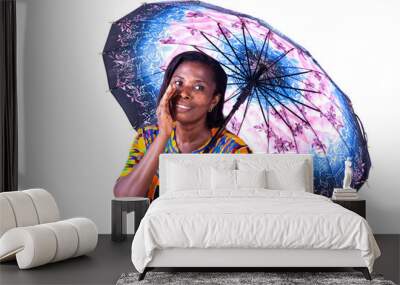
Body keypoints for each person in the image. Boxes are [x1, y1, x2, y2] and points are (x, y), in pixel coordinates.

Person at [113, 51, 252, 201]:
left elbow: (240, 210)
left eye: (199, 87)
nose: (184, 93)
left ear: (214, 100)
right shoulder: (148, 137)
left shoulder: (233, 150)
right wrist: (163, 135)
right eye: (179, 83)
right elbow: (125, 196)